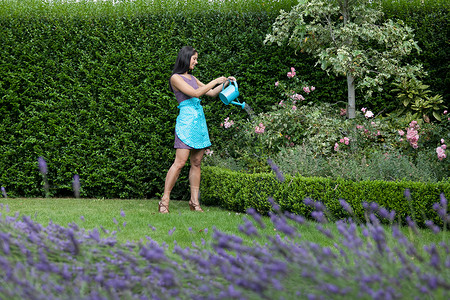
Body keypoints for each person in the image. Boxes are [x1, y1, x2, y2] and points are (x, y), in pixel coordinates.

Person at [159, 46, 235, 213]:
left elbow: (212, 93)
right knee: (179, 163)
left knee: (196, 162)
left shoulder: (192, 77)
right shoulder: (175, 78)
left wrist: (226, 82)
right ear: (186, 58)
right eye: (194, 58)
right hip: (186, 122)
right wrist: (215, 80)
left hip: (199, 122)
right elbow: (196, 93)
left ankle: (194, 202)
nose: (196, 61)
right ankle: (164, 200)